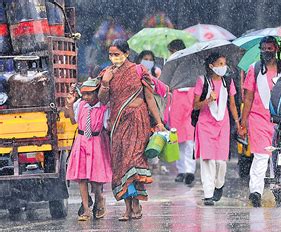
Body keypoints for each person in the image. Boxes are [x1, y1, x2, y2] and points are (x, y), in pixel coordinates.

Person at [98, 39, 165, 221]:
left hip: (138, 121)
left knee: (133, 160)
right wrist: (105, 83)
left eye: (117, 54)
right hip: (118, 124)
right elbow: (102, 100)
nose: (114, 58)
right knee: (121, 164)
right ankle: (128, 206)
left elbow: (149, 98)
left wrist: (158, 122)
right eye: (111, 54)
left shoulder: (139, 71)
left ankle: (136, 202)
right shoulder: (106, 73)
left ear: (126, 53)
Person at [240, 36, 281, 207]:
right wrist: (243, 122)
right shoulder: (254, 69)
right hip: (258, 118)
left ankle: (280, 191)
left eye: (270, 48)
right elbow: (248, 98)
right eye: (264, 48)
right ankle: (256, 192)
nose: (267, 51)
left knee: (279, 157)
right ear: (260, 50)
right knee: (260, 156)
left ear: (276, 49)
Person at [193, 52, 240, 206]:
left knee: (221, 162)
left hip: (222, 124)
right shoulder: (202, 81)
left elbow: (232, 104)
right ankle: (208, 193)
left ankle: (219, 184)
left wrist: (238, 124)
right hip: (205, 124)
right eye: (220, 64)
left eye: (224, 64)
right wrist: (208, 100)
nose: (223, 67)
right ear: (211, 66)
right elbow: (195, 105)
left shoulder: (228, 81)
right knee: (207, 160)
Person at [64, 79, 112, 221]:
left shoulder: (104, 108)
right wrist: (70, 104)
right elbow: (73, 120)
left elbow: (107, 126)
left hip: (97, 143)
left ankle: (99, 198)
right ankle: (85, 208)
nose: (86, 97)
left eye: (90, 94)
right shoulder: (81, 105)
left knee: (96, 178)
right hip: (81, 141)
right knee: (82, 177)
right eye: (84, 94)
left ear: (97, 93)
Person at [164, 39, 198, 184]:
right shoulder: (170, 65)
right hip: (176, 101)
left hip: (189, 99)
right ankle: (181, 170)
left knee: (190, 139)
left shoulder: (192, 64)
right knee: (177, 139)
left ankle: (190, 170)